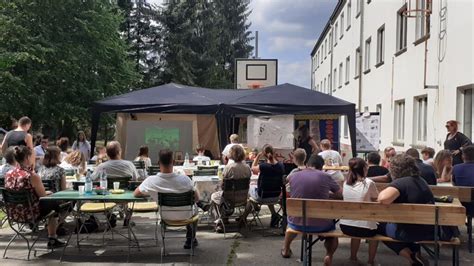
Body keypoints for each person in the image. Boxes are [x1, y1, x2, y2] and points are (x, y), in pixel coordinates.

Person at [281, 154, 342, 265]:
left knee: (291, 225)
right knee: (332, 233)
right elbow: (340, 195)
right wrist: (328, 194)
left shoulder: (293, 176)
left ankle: (285, 249)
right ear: (321, 167)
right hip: (322, 224)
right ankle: (329, 255)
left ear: (308, 165)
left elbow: (291, 187)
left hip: (297, 222)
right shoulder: (326, 177)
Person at [134, 149, 199, 249]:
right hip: (187, 216)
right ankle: (191, 239)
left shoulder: (151, 181)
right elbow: (197, 198)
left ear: (159, 163)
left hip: (166, 217)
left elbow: (136, 193)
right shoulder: (185, 179)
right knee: (195, 208)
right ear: (173, 162)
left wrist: (151, 193)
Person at [377, 154, 436, 265]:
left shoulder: (401, 182)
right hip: (427, 230)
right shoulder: (421, 180)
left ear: (394, 169)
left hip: (407, 232)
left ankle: (410, 256)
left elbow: (383, 199)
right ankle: (416, 255)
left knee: (377, 226)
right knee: (408, 224)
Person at [4, 146, 65, 248]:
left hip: (13, 213)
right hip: (31, 213)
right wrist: (49, 193)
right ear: (27, 158)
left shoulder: (8, 174)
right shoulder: (31, 176)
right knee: (55, 205)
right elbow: (43, 197)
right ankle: (52, 238)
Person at [340, 158, 379, 265]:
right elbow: (377, 199)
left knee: (356, 222)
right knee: (374, 234)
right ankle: (370, 261)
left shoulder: (345, 183)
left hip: (346, 227)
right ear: (363, 169)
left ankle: (353, 257)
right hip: (366, 229)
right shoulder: (369, 183)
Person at [239, 145, 284, 226]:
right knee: (268, 189)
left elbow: (252, 168)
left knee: (251, 193)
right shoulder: (281, 166)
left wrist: (258, 156)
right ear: (273, 153)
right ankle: (274, 214)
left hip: (262, 196)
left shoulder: (263, 166)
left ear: (264, 154)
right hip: (276, 195)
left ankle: (244, 217)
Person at [210, 145, 251, 233]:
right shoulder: (247, 167)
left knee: (214, 196)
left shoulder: (229, 168)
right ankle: (242, 219)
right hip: (243, 198)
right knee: (251, 200)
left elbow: (223, 185)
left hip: (229, 198)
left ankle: (220, 221)